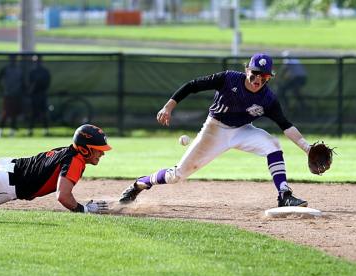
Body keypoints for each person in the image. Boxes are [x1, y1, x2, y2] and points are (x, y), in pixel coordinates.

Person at [119, 53, 314, 208]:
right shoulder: (228, 79)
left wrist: (307, 148)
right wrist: (169, 106)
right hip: (214, 130)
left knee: (273, 145)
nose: (257, 80)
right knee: (176, 176)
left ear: (269, 78)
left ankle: (284, 194)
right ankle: (139, 184)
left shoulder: (268, 99)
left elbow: (286, 125)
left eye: (263, 77)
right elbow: (193, 86)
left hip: (242, 131)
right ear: (246, 70)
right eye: (254, 73)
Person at [0, 55, 24, 139]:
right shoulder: (5, 69)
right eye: (12, 59)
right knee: (5, 114)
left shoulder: (19, 70)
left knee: (14, 114)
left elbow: (22, 83)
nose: (13, 60)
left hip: (17, 95)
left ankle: (12, 133)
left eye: (14, 59)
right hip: (8, 95)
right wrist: (2, 90)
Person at [27, 55, 52, 137]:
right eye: (35, 61)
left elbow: (47, 83)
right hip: (34, 96)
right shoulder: (32, 72)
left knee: (43, 113)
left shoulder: (45, 71)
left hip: (42, 95)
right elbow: (30, 84)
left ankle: (46, 130)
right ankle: (30, 130)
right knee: (33, 113)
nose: (37, 63)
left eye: (38, 61)